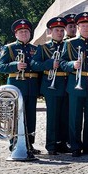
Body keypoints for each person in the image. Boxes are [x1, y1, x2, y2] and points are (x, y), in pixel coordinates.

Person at [0, 19, 40, 156]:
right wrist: (15, 66)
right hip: (16, 87)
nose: (24, 34)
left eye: (26, 32)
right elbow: (0, 67)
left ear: (30, 33)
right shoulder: (9, 48)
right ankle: (14, 144)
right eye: (21, 32)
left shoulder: (35, 49)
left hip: (31, 87)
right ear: (16, 34)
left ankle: (29, 144)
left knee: (31, 117)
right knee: (16, 116)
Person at [60, 12, 88, 157]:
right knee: (75, 117)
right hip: (76, 84)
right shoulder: (70, 43)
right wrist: (72, 64)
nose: (85, 28)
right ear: (78, 27)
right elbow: (62, 63)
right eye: (83, 25)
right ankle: (75, 146)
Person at [32, 16, 69, 155]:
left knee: (65, 116)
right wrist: (49, 64)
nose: (60, 33)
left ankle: (63, 143)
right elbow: (34, 64)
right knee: (53, 117)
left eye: (61, 30)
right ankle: (51, 145)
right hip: (50, 86)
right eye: (57, 30)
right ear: (50, 31)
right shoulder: (44, 48)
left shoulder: (68, 45)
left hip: (66, 84)